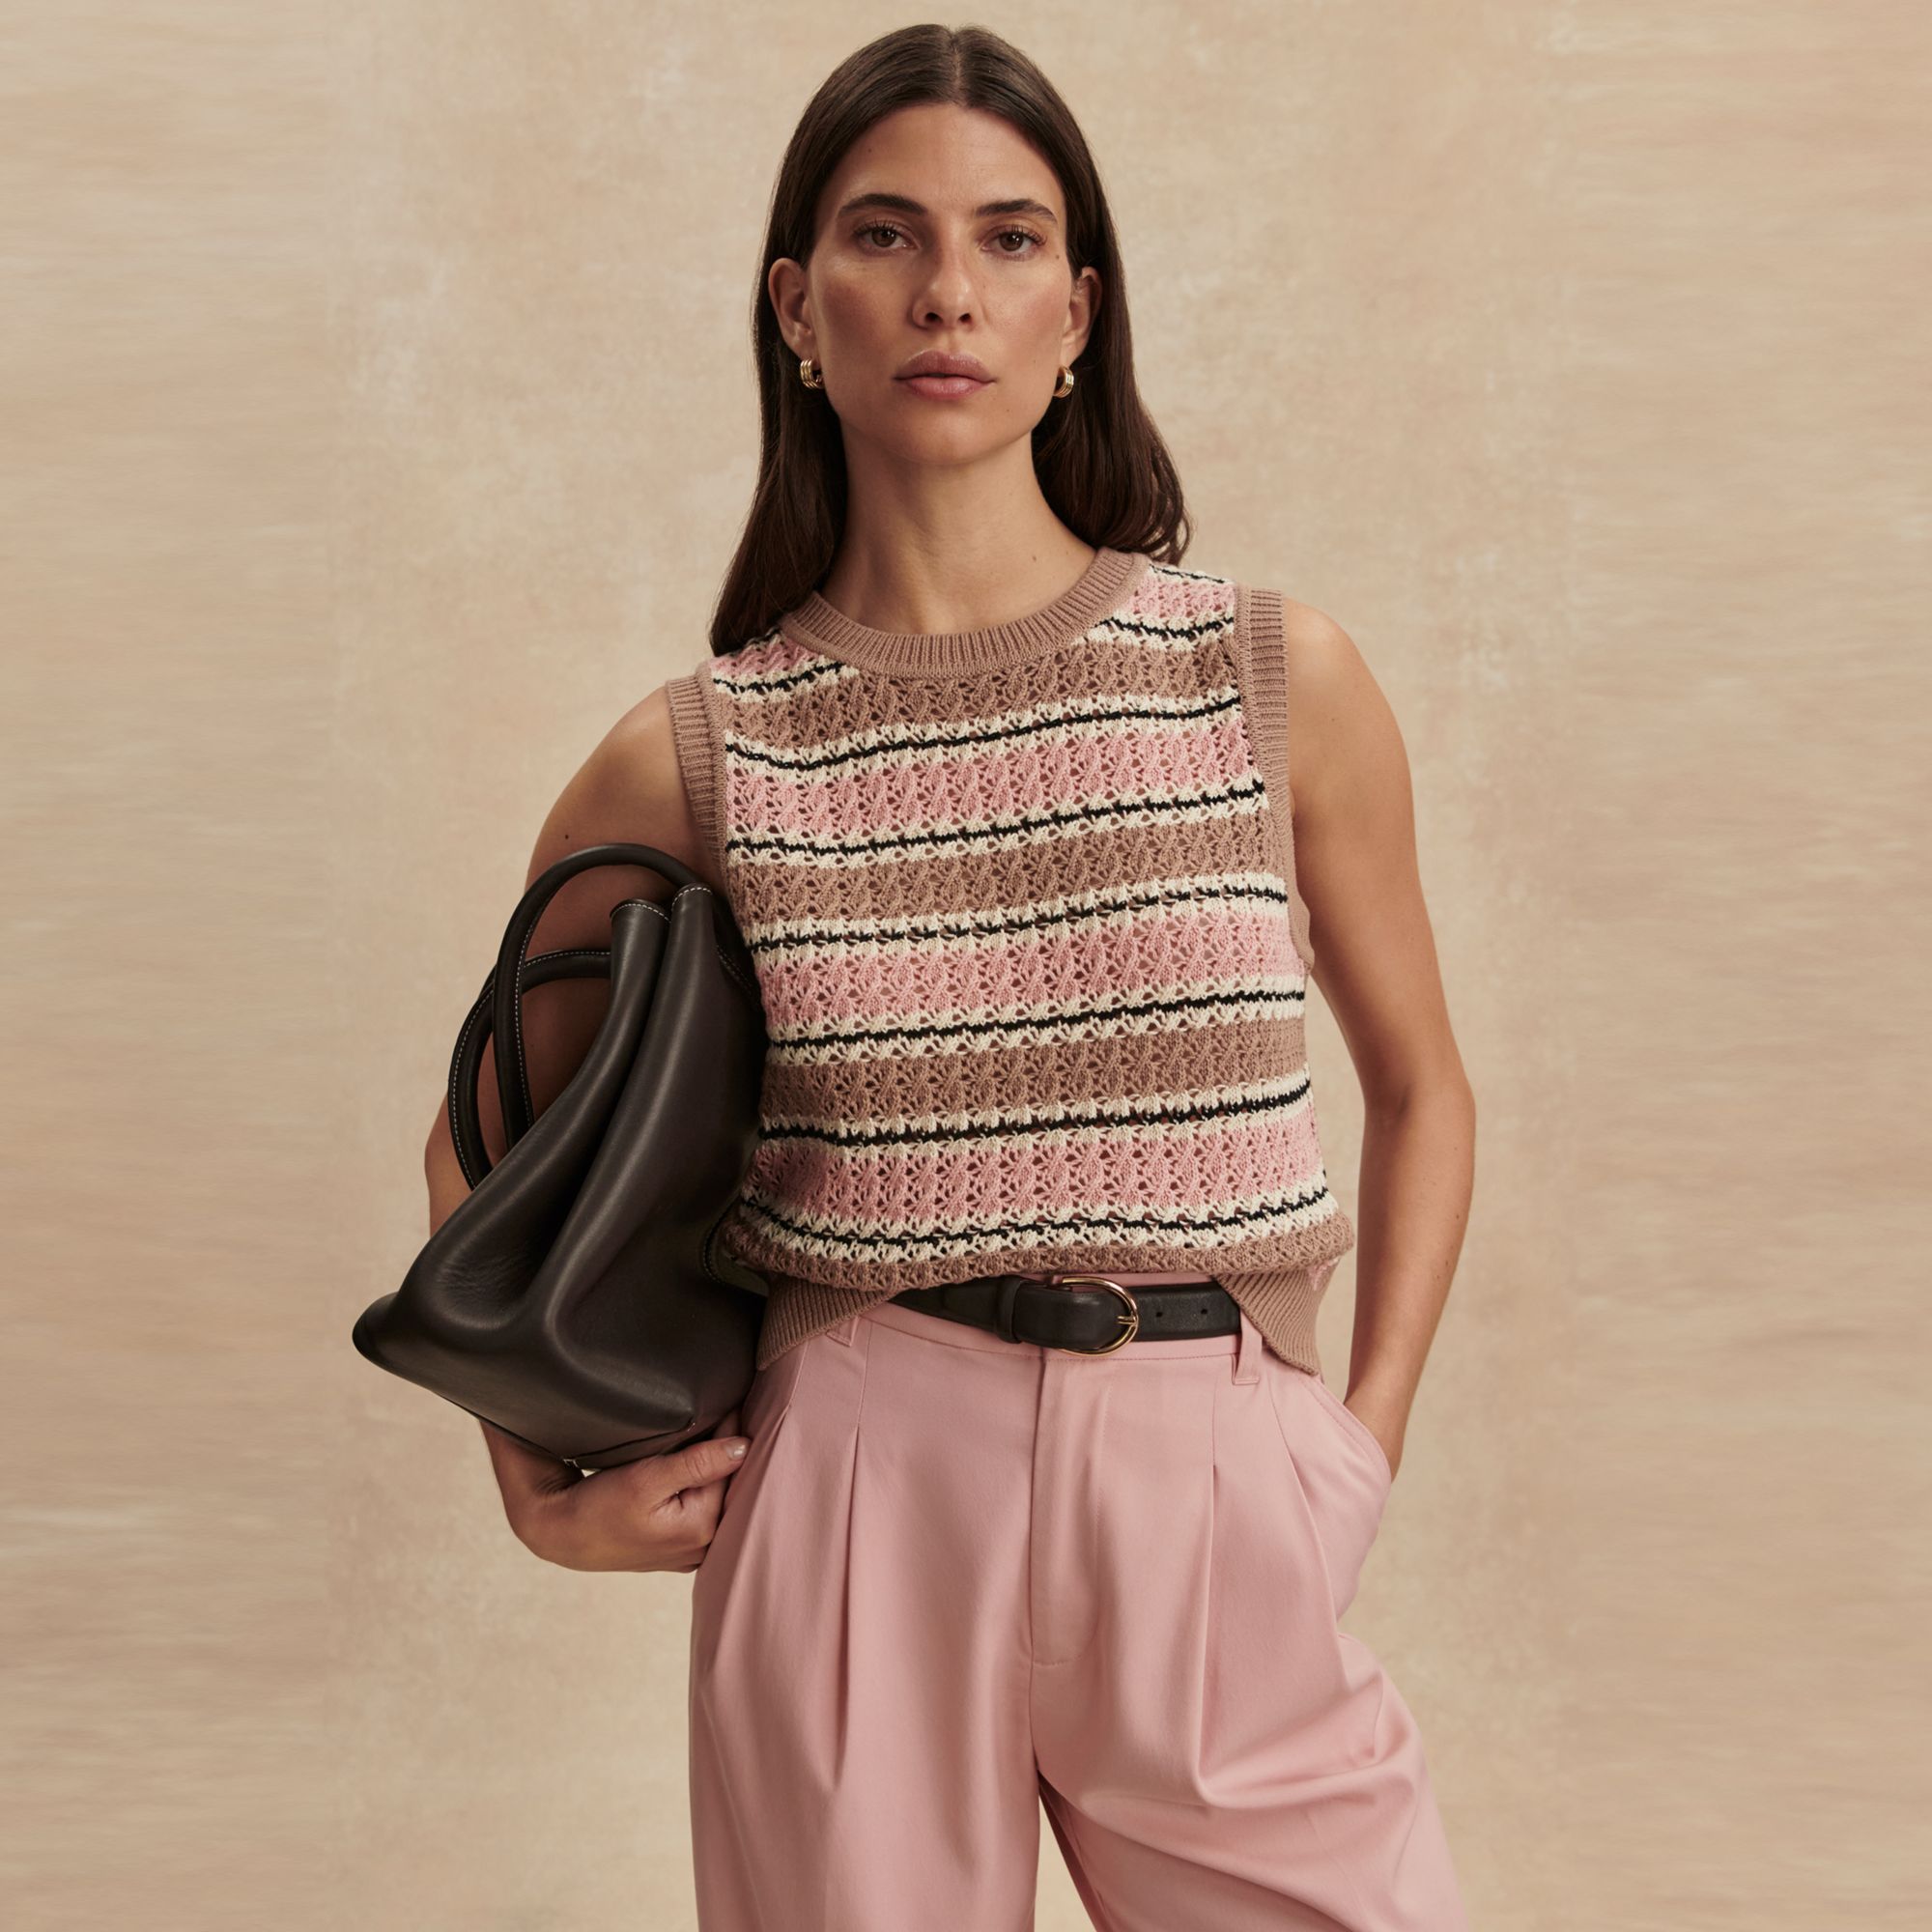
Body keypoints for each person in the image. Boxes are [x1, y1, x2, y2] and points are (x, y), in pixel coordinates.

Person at [423, 24, 1476, 1930]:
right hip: (856, 1483)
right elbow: (477, 1154)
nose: (947, 293)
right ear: (795, 309)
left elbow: (1422, 1087)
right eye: (884, 234)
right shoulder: (700, 754)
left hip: (1215, 1469)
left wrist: (1358, 1443)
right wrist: (535, 1487)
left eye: (1008, 239)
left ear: (1079, 313)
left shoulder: (1267, 677)